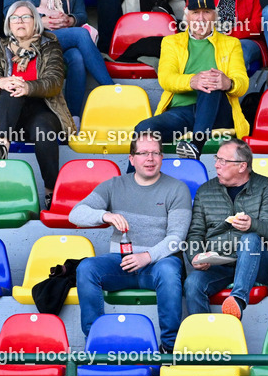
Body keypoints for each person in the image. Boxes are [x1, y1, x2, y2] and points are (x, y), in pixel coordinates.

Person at [71, 132, 192, 352]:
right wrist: (104, 216)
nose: (150, 159)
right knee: (87, 268)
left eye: (156, 153)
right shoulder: (114, 185)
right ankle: (96, 340)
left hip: (158, 262)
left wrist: (146, 257)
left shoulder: (177, 189)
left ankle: (170, 346)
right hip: (121, 263)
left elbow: (176, 239)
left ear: (162, 157)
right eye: (144, 153)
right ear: (131, 158)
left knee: (168, 271)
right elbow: (75, 214)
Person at [134, 0, 249, 160]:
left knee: (212, 80)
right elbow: (166, 79)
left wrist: (229, 83)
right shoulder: (171, 42)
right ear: (187, 16)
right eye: (195, 12)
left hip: (218, 113)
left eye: (207, 12)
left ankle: (196, 145)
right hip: (182, 113)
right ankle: (130, 181)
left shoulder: (231, 44)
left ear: (215, 15)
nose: (201, 18)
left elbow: (242, 82)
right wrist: (193, 81)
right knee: (143, 130)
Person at [0, 1, 74, 209]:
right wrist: (1, 82)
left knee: (44, 132)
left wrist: (28, 87)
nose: (20, 21)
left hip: (42, 108)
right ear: (9, 24)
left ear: (36, 22)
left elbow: (54, 81)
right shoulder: (1, 48)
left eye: (25, 17)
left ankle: (51, 189)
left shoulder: (50, 45)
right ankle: (3, 143)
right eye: (14, 18)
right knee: (10, 89)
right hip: (7, 113)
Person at [184, 139, 268, 319]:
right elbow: (195, 232)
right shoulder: (205, 190)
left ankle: (237, 299)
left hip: (258, 265)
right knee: (192, 283)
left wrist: (252, 224)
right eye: (216, 159)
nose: (216, 165)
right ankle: (205, 342)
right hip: (219, 265)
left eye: (223, 161)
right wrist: (195, 256)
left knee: (250, 239)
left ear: (242, 166)